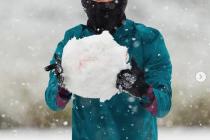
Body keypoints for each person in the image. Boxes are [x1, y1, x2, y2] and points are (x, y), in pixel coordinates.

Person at [44, 0, 172, 139]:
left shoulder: (147, 39)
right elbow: (54, 103)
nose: (104, 6)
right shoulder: (74, 39)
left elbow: (163, 107)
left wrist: (142, 88)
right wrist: (63, 85)